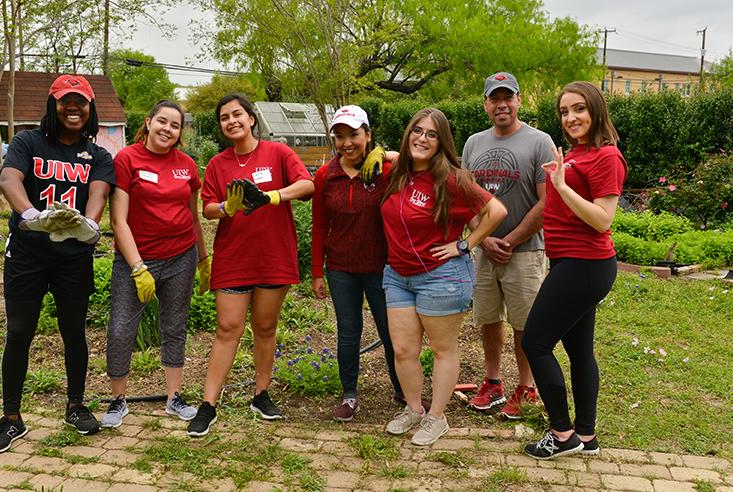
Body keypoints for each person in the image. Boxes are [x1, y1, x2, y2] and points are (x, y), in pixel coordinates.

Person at [0, 74, 113, 454]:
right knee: (20, 332)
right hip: (28, 254)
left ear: (90, 109)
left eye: (81, 102)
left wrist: (88, 225)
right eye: (64, 101)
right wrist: (31, 215)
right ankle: (11, 419)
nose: (73, 107)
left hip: (72, 257)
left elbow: (100, 194)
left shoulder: (100, 156)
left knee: (74, 331)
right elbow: (9, 178)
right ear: (52, 106)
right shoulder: (28, 142)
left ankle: (75, 405)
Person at [188, 93, 314, 437]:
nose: (232, 121)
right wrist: (228, 207)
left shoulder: (278, 153)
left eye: (237, 114)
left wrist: (272, 196)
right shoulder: (217, 163)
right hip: (233, 258)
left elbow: (307, 185)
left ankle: (261, 394)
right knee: (227, 328)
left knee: (265, 327)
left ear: (251, 118)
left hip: (273, 256)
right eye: (225, 117)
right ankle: (208, 404)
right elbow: (208, 208)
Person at [381, 108, 507, 446]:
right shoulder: (396, 172)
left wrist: (465, 244)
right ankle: (413, 410)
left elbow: (496, 211)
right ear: (408, 135)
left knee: (441, 349)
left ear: (442, 142)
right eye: (417, 131)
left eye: (431, 134)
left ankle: (437, 417)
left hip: (442, 276)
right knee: (404, 350)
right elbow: (371, 152)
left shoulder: (453, 179)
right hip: (398, 275)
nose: (422, 138)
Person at [522, 81, 627, 459]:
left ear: (596, 110)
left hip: (586, 263)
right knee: (579, 350)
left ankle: (562, 435)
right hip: (571, 261)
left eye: (578, 109)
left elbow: (602, 219)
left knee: (535, 342)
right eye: (565, 112)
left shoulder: (606, 156)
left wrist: (562, 187)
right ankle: (586, 436)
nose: (571, 118)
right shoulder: (579, 153)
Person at [100, 100, 210, 428]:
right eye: (162, 121)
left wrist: (204, 257)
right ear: (148, 122)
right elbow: (118, 220)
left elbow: (193, 216)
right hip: (135, 259)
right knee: (121, 329)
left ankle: (174, 398)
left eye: (175, 125)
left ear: (179, 133)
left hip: (181, 257)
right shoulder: (127, 159)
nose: (167, 129)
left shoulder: (187, 166)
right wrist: (137, 267)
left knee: (174, 327)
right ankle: (118, 400)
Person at [462, 72, 556, 419]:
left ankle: (526, 387)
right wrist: (483, 239)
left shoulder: (539, 142)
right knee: (488, 318)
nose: (501, 104)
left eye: (508, 97)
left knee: (524, 322)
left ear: (518, 100)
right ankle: (493, 383)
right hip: (485, 251)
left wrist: (511, 240)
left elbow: (548, 202)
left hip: (526, 251)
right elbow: (465, 199)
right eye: (494, 98)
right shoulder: (473, 143)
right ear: (486, 104)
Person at [311, 105, 402, 422]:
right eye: (340, 136)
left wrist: (386, 154)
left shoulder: (384, 171)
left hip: (380, 266)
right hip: (341, 268)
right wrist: (316, 273)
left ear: (368, 135)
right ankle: (349, 395)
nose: (347, 142)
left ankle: (403, 390)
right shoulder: (326, 175)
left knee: (391, 333)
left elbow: (425, 160)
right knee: (349, 333)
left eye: (354, 134)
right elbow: (320, 226)